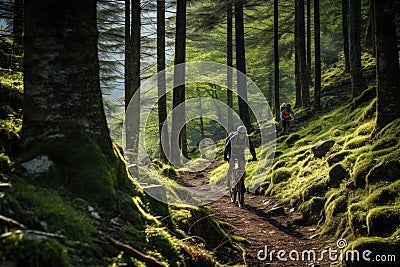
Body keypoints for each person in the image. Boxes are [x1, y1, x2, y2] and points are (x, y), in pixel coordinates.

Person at [223, 125, 257, 190]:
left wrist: (254, 156)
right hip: (232, 154)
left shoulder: (247, 139)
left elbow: (251, 148)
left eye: (243, 134)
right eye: (240, 133)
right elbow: (226, 148)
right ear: (238, 133)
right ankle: (228, 183)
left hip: (241, 154)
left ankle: (242, 184)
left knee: (242, 168)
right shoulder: (233, 138)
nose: (242, 135)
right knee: (231, 166)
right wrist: (225, 156)